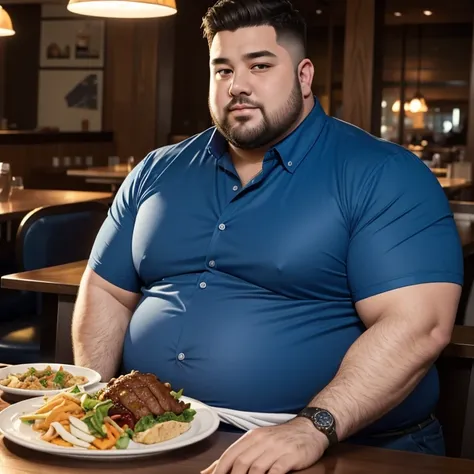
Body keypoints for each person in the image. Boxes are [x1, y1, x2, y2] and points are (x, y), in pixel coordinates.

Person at [72, 0, 463, 472]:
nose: (237, 85)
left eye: (259, 65)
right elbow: (106, 293)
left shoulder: (384, 173)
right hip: (151, 440)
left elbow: (418, 326)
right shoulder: (156, 170)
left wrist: (313, 426)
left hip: (336, 447)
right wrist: (90, 402)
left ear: (303, 76)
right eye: (223, 70)